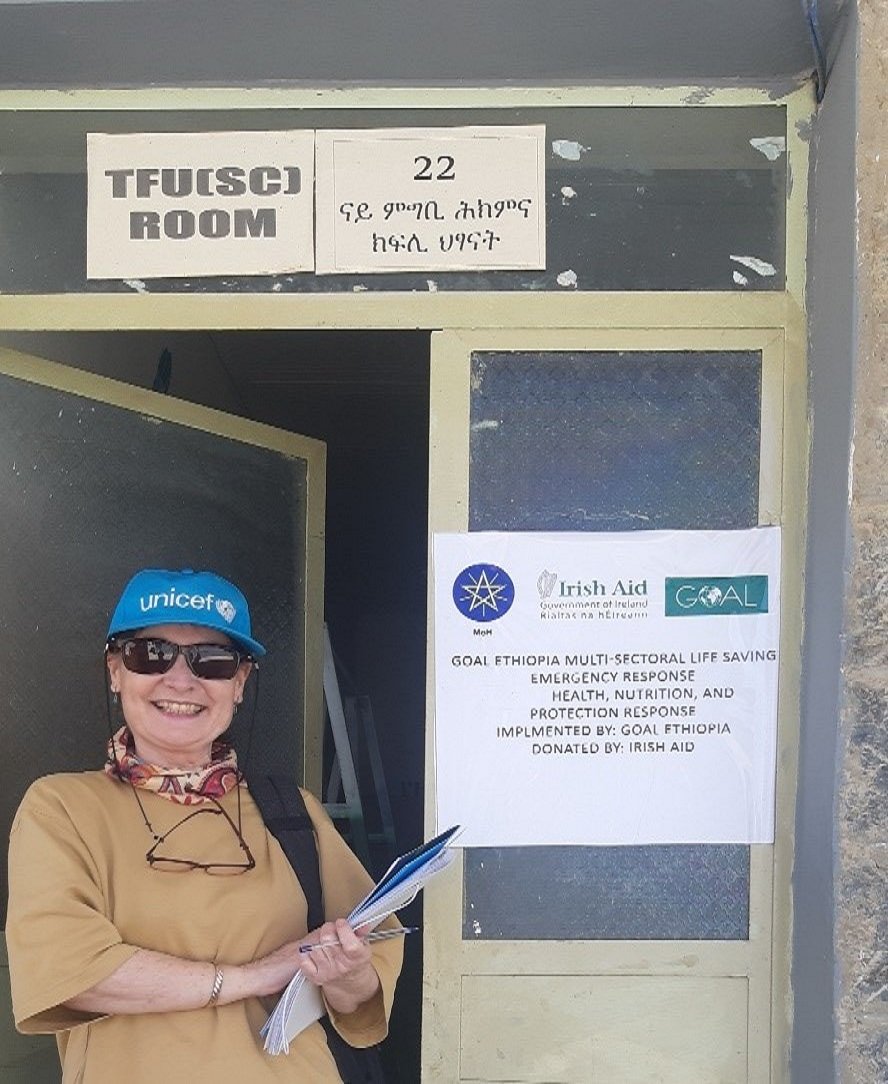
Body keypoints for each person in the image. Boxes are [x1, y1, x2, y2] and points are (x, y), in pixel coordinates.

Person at [6, 568, 402, 1082]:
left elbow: (365, 979)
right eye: (151, 654)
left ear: (238, 684)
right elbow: (73, 974)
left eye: (210, 662)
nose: (180, 679)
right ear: (115, 671)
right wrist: (255, 975)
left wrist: (347, 976)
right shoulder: (61, 808)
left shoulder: (292, 812)